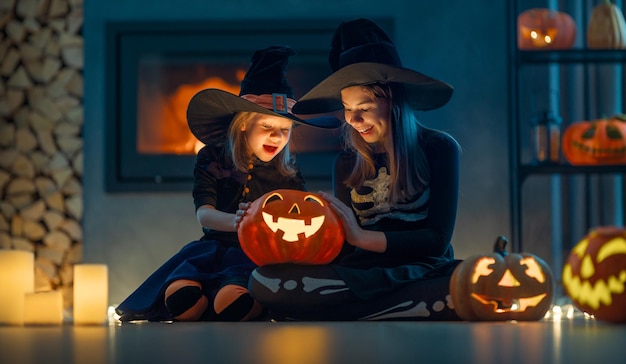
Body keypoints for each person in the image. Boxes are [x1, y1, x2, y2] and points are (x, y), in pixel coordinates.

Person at [248, 19, 462, 321]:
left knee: (467, 277)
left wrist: (361, 236)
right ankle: (408, 307)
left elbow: (437, 240)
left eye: (364, 107)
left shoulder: (439, 148)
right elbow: (347, 249)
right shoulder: (347, 164)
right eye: (348, 109)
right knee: (265, 282)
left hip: (423, 268)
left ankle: (369, 308)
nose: (354, 119)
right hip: (363, 272)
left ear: (392, 101)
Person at [115, 46, 340, 322]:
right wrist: (240, 220)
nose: (276, 137)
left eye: (284, 130)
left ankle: (228, 303)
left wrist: (321, 209)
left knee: (233, 298)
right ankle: (196, 301)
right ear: (244, 124)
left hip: (255, 254)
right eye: (267, 127)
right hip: (213, 248)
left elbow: (301, 217)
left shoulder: (287, 171)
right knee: (181, 294)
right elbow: (204, 215)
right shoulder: (212, 159)